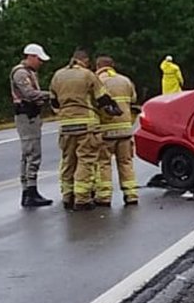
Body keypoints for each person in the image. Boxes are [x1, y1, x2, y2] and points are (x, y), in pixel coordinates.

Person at [50, 49, 122, 210]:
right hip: (86, 125)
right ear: (85, 61)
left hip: (66, 126)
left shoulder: (57, 75)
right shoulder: (88, 75)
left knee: (68, 161)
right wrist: (113, 109)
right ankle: (82, 199)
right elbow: (102, 98)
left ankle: (67, 196)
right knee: (86, 160)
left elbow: (53, 102)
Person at [94, 56, 141, 206]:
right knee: (126, 162)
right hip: (125, 129)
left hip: (105, 130)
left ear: (98, 66)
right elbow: (133, 99)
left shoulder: (96, 81)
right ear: (112, 66)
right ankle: (131, 194)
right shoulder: (125, 80)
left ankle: (104, 196)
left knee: (104, 163)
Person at [11, 43, 54, 208]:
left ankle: (31, 190)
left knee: (30, 153)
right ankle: (29, 192)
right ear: (31, 57)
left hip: (32, 115)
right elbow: (28, 93)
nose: (41, 63)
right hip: (26, 116)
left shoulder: (30, 72)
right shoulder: (21, 73)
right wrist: (51, 95)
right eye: (39, 59)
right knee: (31, 153)